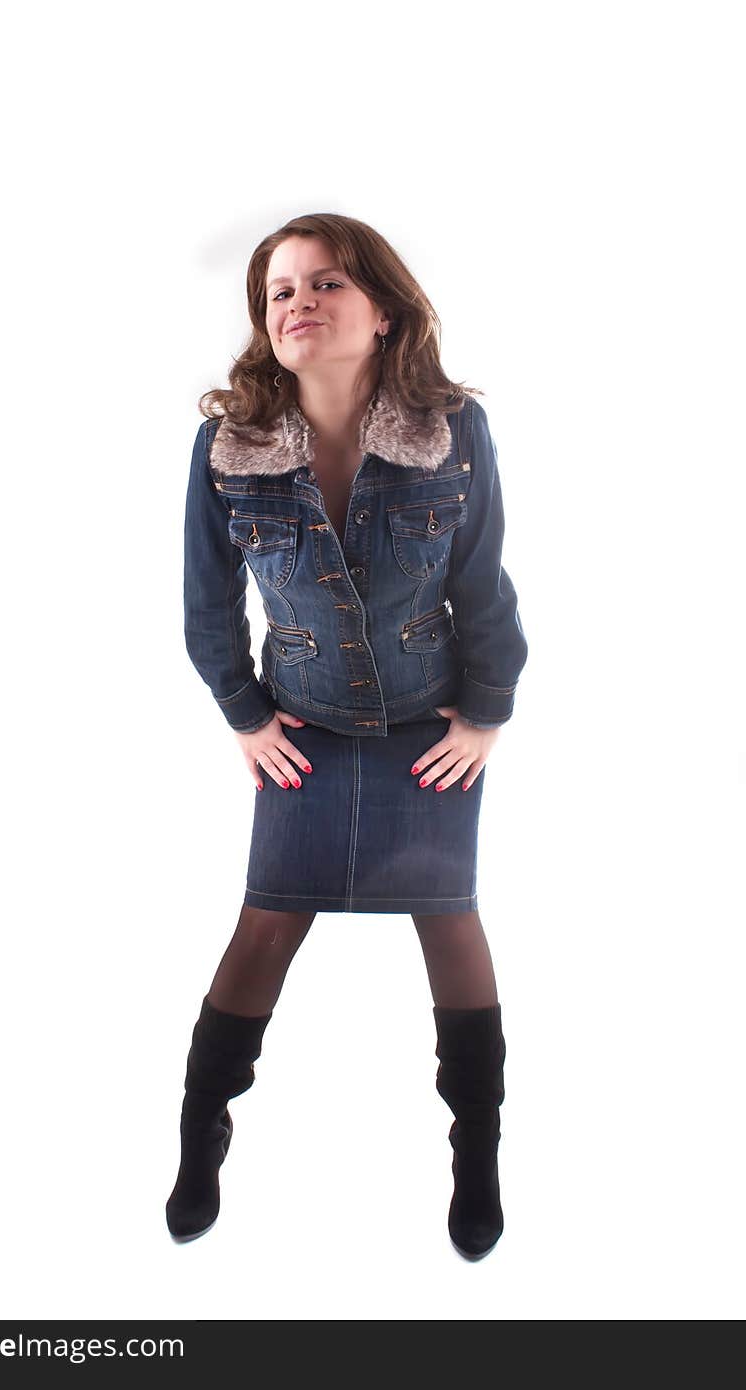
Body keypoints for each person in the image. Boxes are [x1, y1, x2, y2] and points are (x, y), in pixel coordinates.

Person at [168, 212, 528, 1260]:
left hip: (426, 727)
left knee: (449, 921)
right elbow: (203, 606)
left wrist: (486, 710)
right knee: (265, 924)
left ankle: (478, 1149)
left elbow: (481, 580)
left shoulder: (452, 428)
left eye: (325, 284)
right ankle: (200, 1133)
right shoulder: (225, 445)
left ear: (383, 312)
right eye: (280, 290)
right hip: (308, 725)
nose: (299, 304)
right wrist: (244, 714)